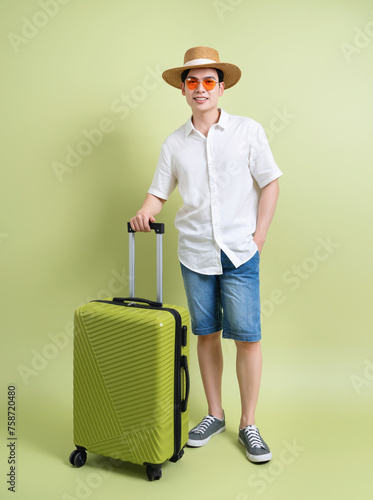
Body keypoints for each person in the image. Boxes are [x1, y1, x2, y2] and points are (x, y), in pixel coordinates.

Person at [130, 46, 282, 463]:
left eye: (208, 81)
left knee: (247, 339)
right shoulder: (173, 144)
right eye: (191, 81)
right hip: (194, 252)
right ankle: (214, 414)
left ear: (221, 86)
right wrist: (146, 210)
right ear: (183, 89)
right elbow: (158, 193)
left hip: (239, 252)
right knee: (206, 333)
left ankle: (248, 423)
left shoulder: (248, 131)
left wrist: (260, 237)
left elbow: (270, 182)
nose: (200, 89)